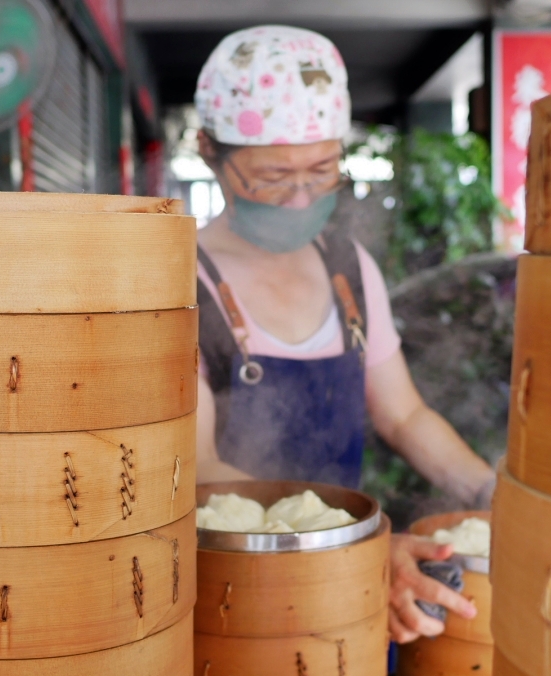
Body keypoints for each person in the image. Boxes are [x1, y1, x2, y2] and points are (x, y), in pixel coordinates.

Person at [193, 26, 497, 644]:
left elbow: (405, 416)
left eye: (322, 170)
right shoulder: (178, 281)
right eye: (273, 176)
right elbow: (199, 467)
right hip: (231, 597)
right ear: (208, 151)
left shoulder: (350, 268)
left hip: (357, 579)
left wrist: (490, 491)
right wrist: (355, 544)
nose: (301, 197)